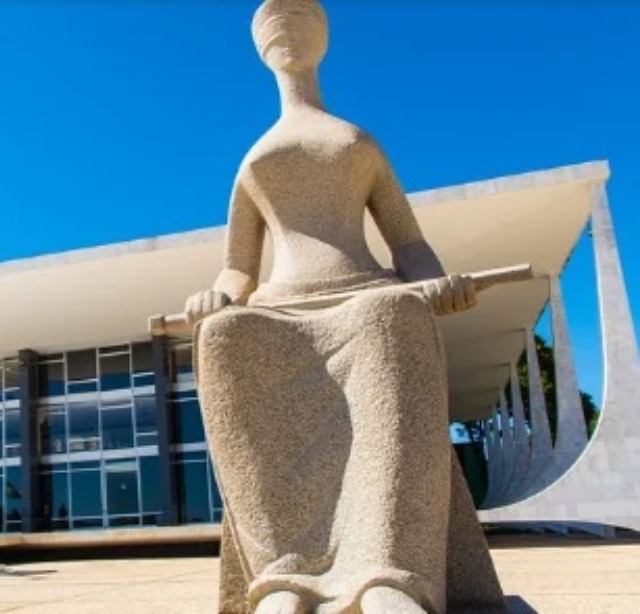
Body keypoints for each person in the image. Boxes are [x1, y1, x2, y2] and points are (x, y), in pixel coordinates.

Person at [184, 1, 503, 613]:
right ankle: (284, 577)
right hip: (279, 306)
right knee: (223, 338)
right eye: (274, 28)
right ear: (258, 50)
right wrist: (216, 296)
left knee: (392, 318)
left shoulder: (356, 141)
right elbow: (237, 268)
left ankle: (388, 575)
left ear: (324, 39)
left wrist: (436, 284)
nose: (287, 33)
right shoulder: (254, 160)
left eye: (301, 21)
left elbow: (408, 244)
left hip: (366, 295)